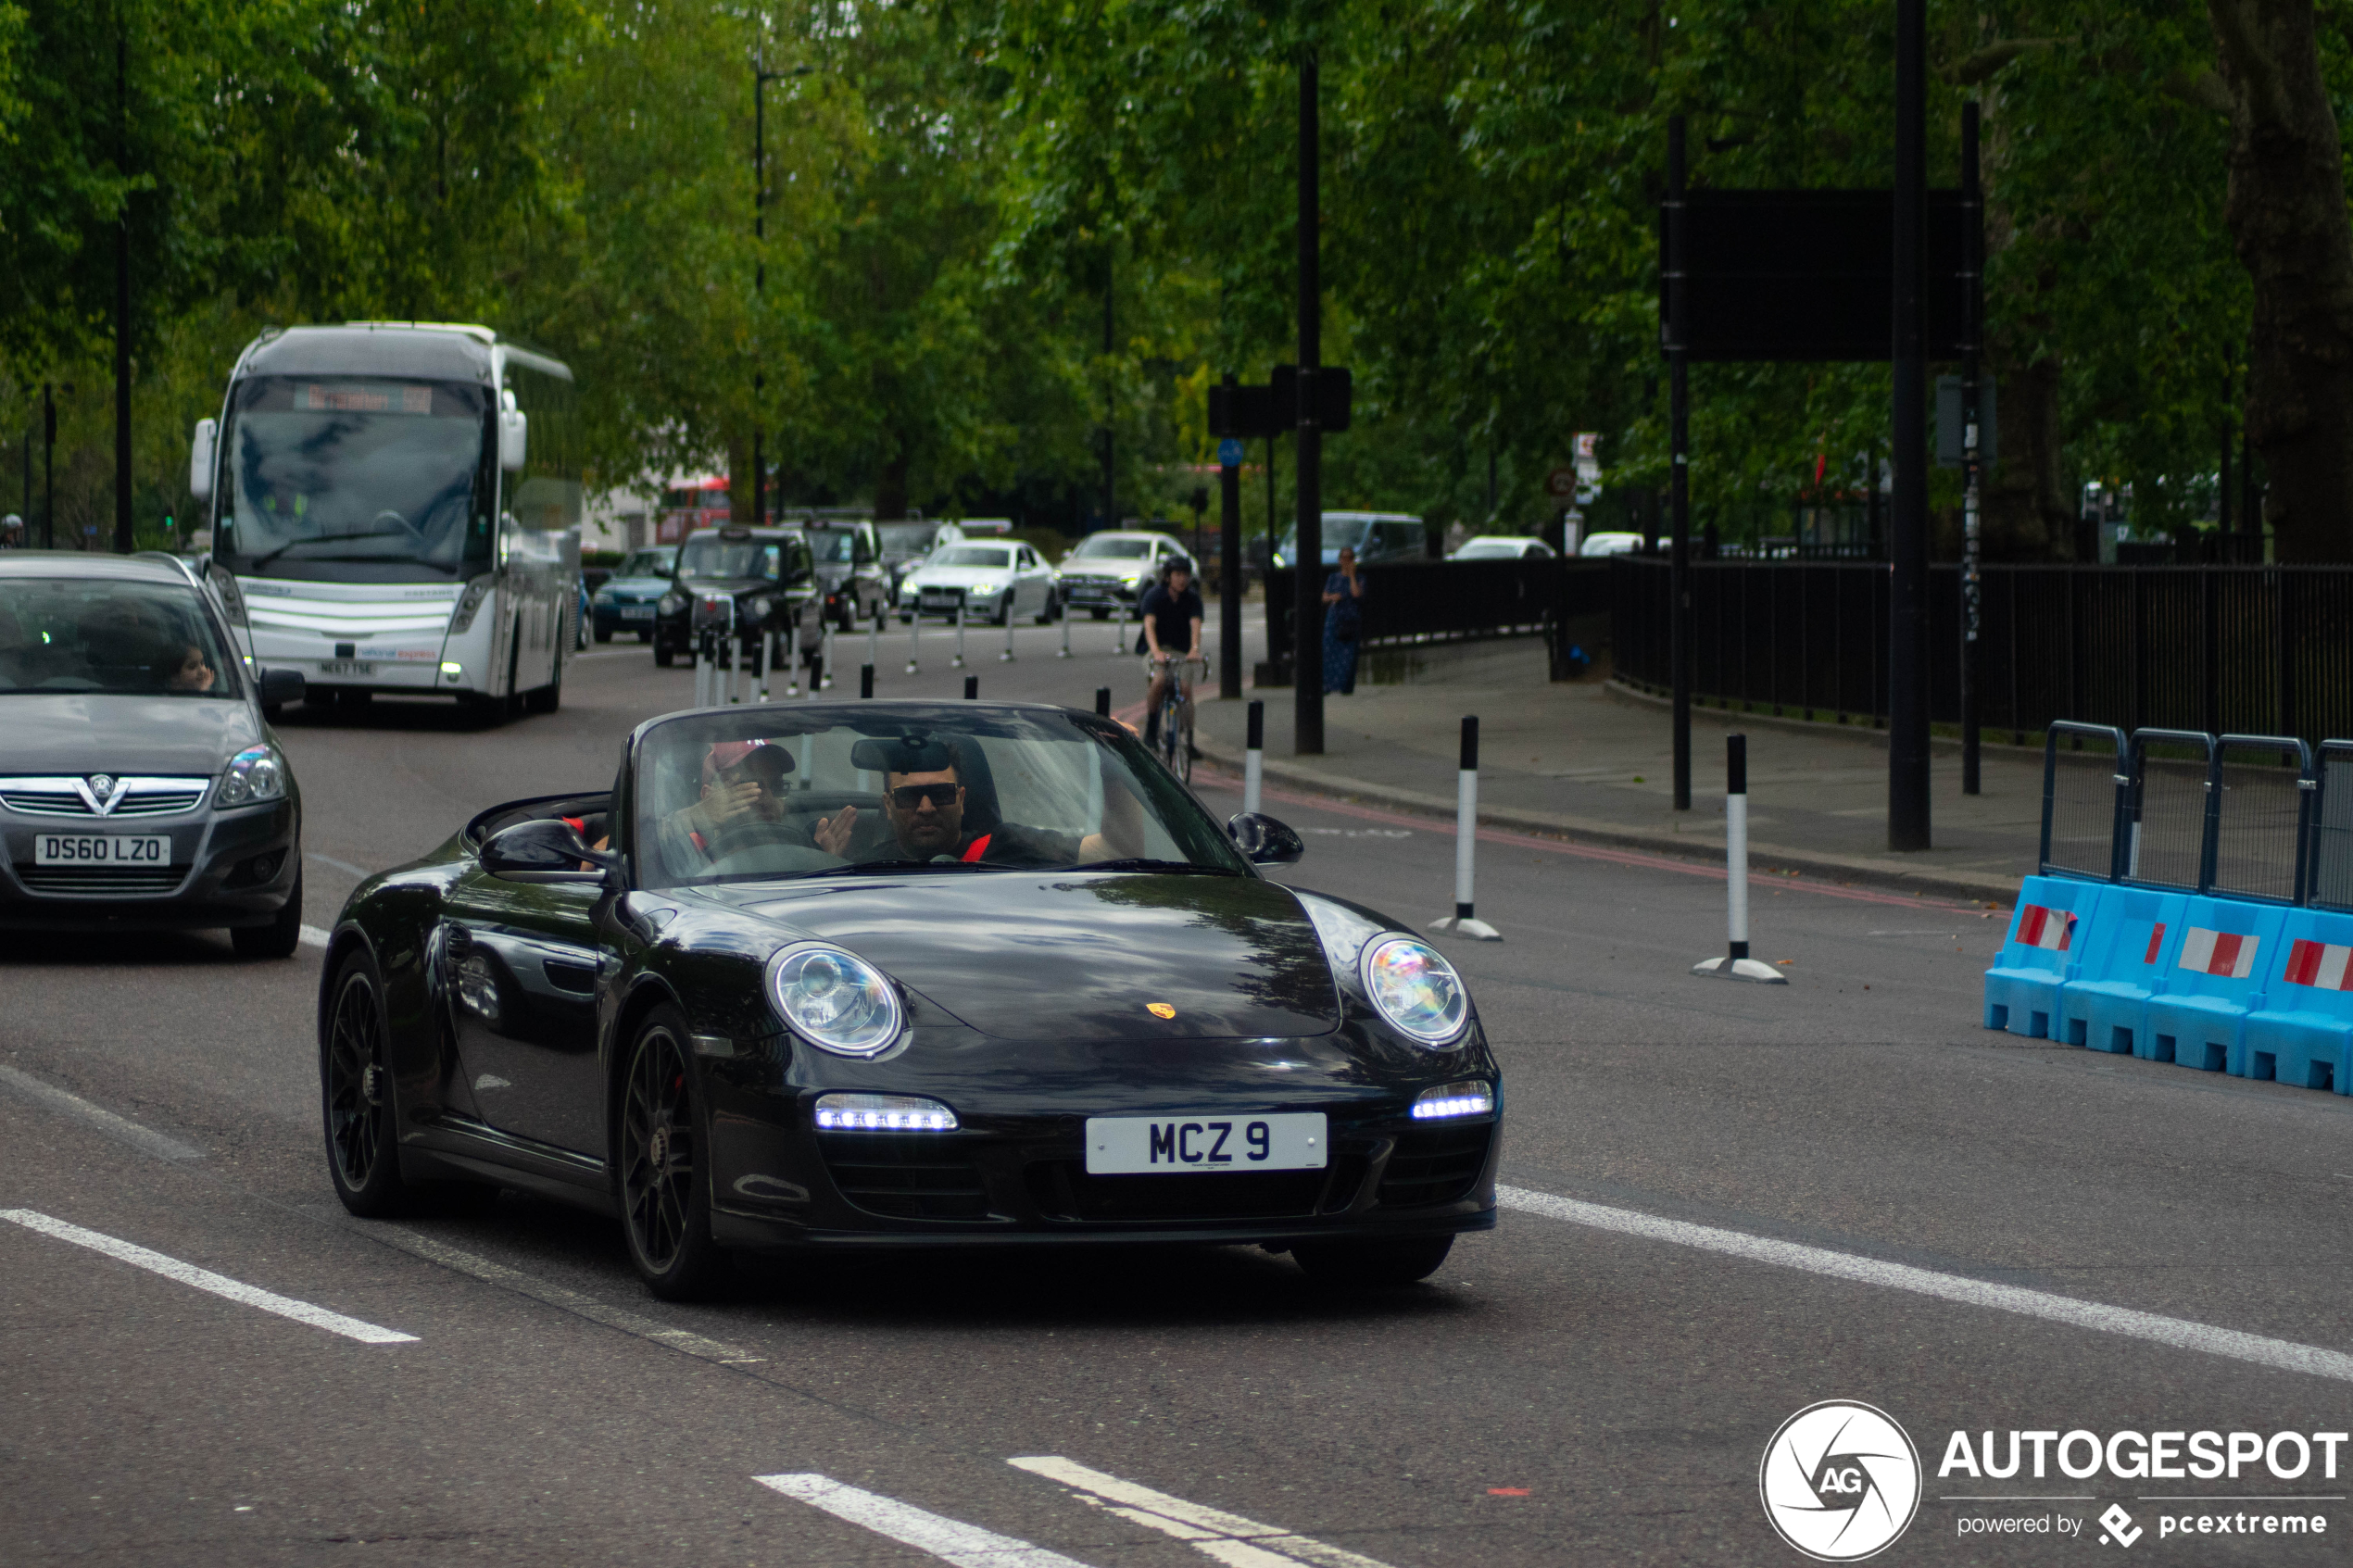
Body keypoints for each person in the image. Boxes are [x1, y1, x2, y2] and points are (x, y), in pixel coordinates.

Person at [813, 738, 1139, 867]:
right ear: (887, 804)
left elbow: (1116, 853)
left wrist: (1114, 771)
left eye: (940, 794)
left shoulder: (1011, 846)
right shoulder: (867, 869)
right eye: (909, 796)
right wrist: (827, 867)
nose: (926, 807)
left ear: (961, 798)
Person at [651, 738, 800, 871]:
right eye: (750, 786)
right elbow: (640, 847)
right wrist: (693, 816)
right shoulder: (689, 853)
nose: (767, 799)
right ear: (707, 797)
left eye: (777, 786)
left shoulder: (802, 848)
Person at [1139, 557, 1203, 757]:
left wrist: (1194, 649)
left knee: (1185, 688)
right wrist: (1156, 652)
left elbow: (1195, 626)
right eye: (1177, 575)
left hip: (1182, 653)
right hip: (1156, 649)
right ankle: (1150, 730)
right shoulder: (1154, 596)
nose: (1182, 579)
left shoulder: (1192, 599)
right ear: (1168, 577)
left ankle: (1189, 740)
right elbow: (1149, 625)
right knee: (1158, 681)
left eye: (1185, 575)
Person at [1322, 546, 1365, 695]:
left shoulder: (1359, 578)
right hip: (1335, 618)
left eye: (1350, 558)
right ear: (1340, 560)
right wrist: (1333, 597)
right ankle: (1327, 685)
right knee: (1329, 652)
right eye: (1344, 558)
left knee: (1348, 655)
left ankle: (1345, 686)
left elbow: (1357, 595)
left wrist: (1352, 575)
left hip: (1351, 619)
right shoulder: (1333, 577)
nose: (1347, 561)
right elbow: (1324, 597)